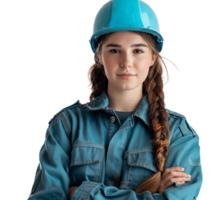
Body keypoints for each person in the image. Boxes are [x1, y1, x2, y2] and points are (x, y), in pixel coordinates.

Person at [26, 0, 204, 200]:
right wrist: (150, 194)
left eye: (138, 50)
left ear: (153, 57)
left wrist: (81, 194)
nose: (126, 62)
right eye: (114, 50)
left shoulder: (180, 135)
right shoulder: (66, 125)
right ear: (99, 56)